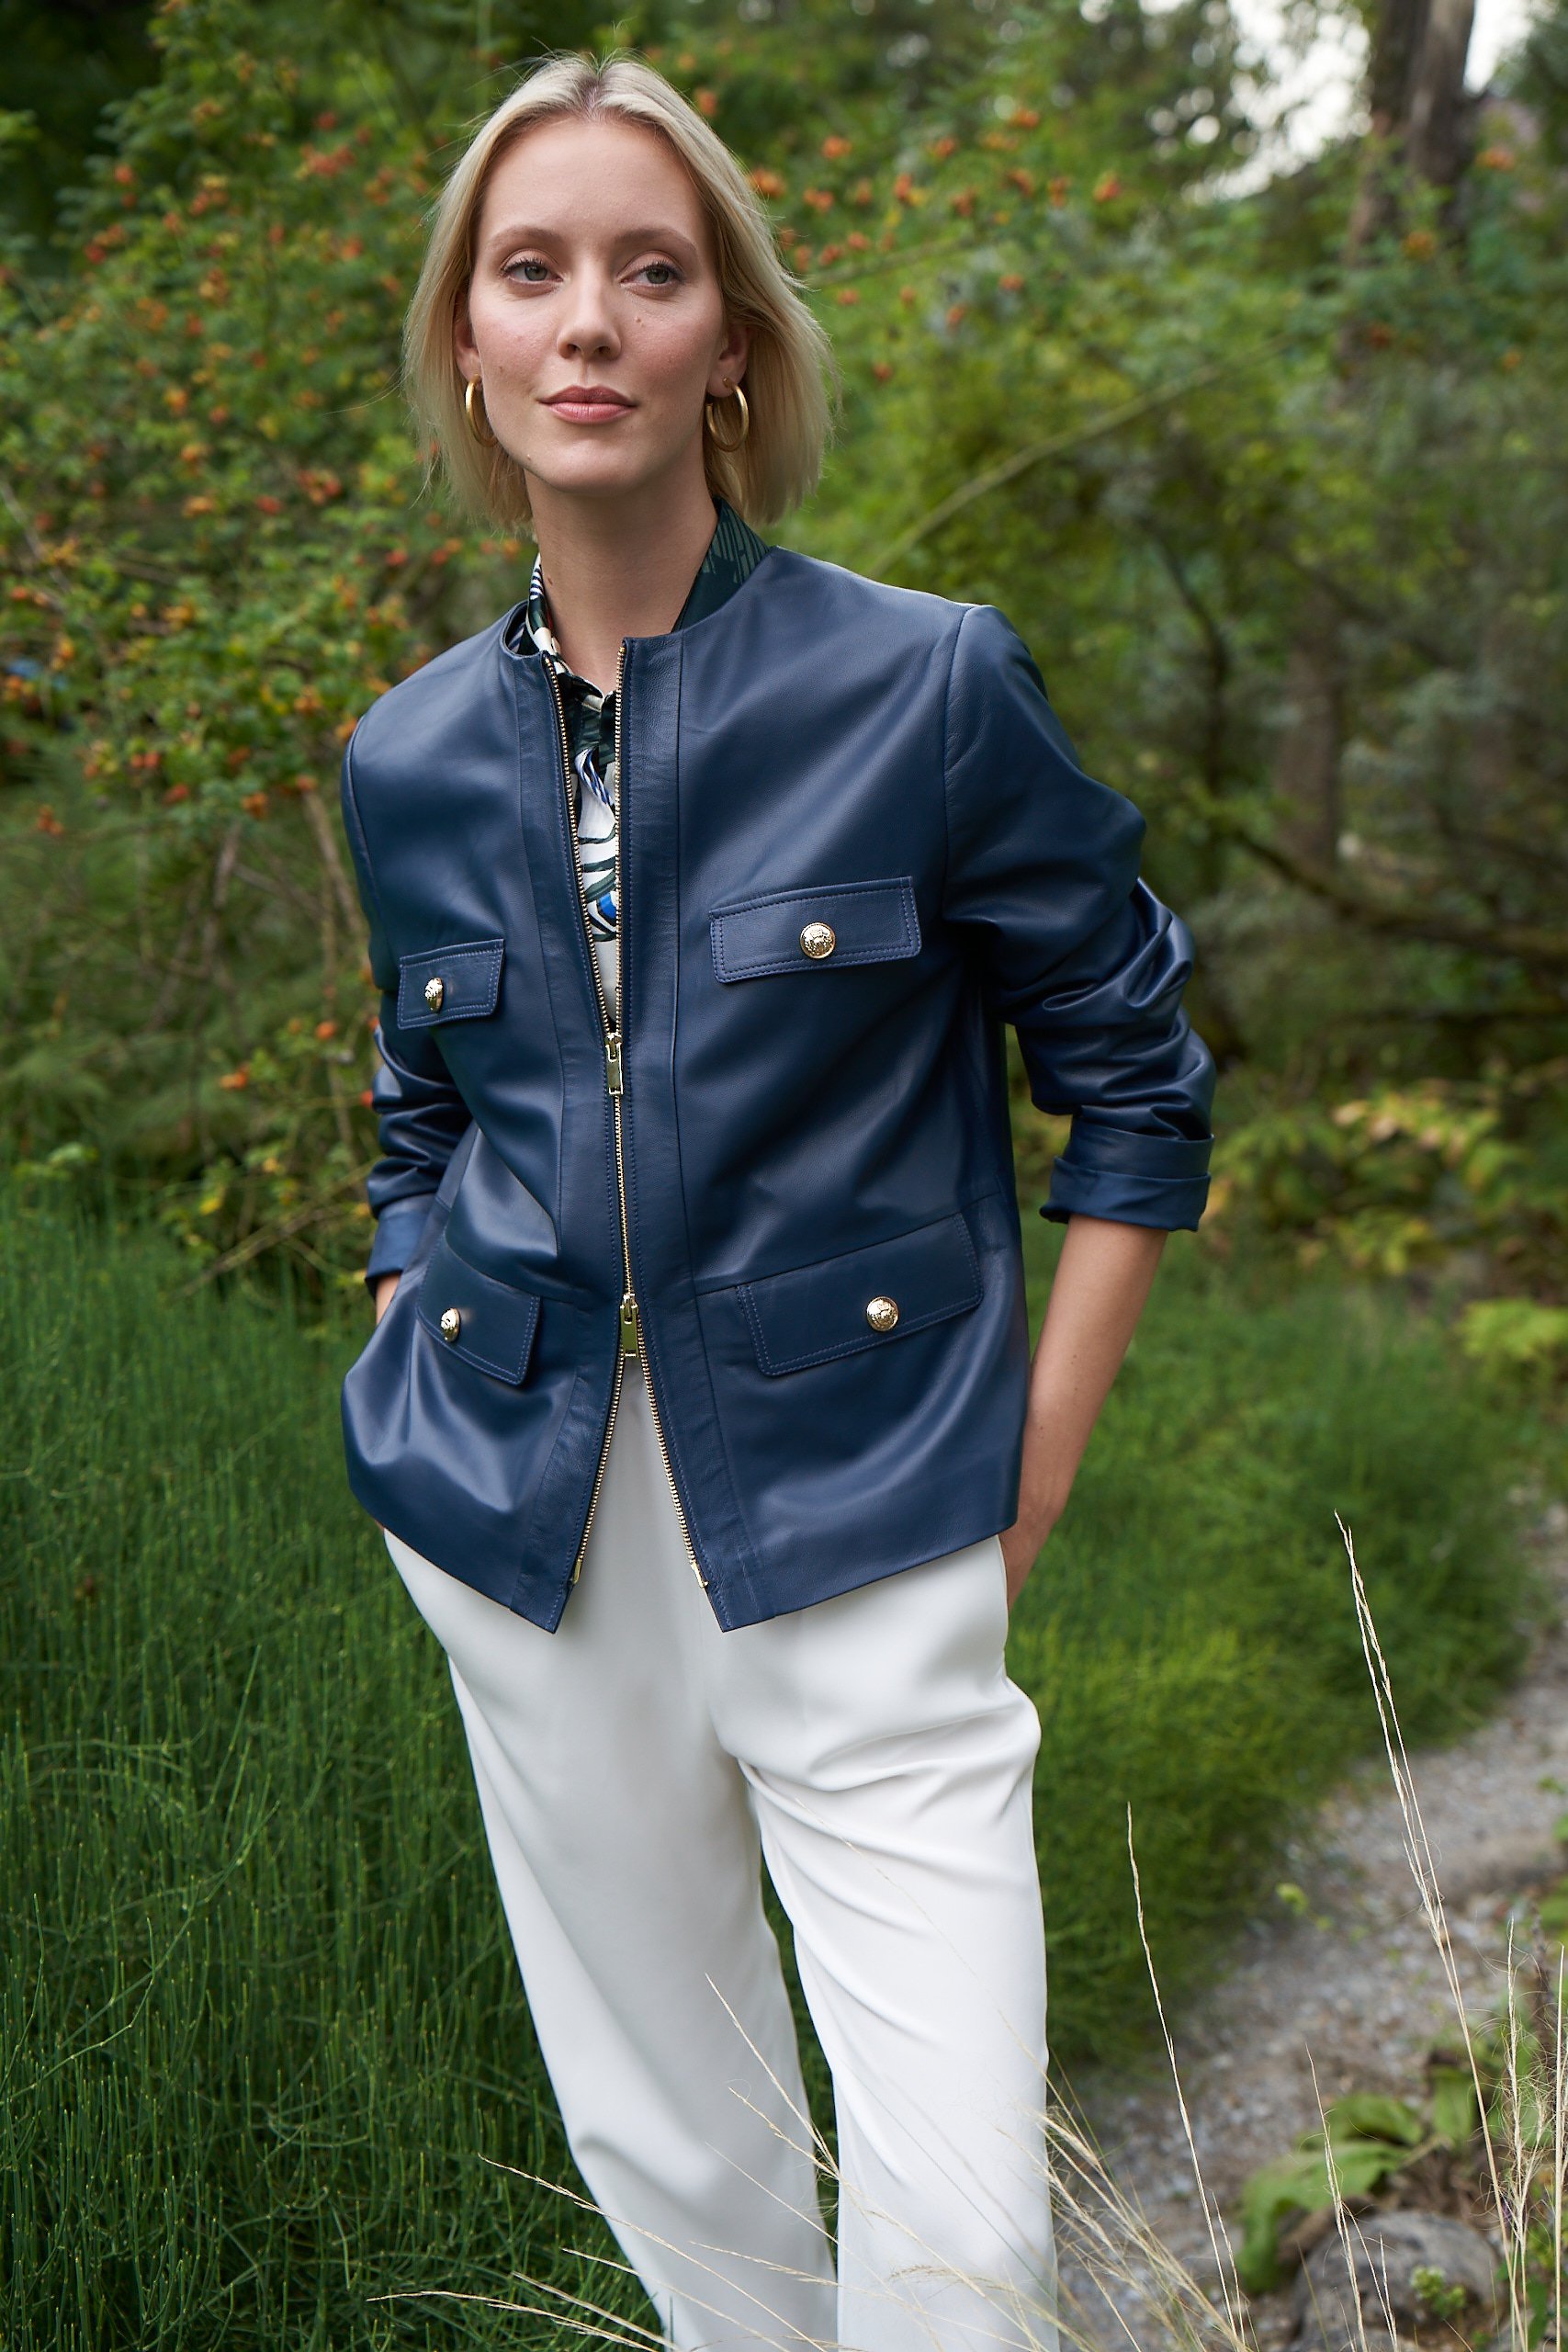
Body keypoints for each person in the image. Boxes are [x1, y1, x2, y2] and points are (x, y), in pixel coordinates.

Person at [338, 49, 1216, 2352]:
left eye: (650, 271)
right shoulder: (404, 756)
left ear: (726, 341)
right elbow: (419, 1109)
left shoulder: (921, 684)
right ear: (467, 343)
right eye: (531, 271)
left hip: (869, 1498)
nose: (587, 320)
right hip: (525, 1525)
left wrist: (1030, 1458)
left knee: (961, 2236)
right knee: (685, 2175)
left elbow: (1133, 1077)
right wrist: (408, 1314)